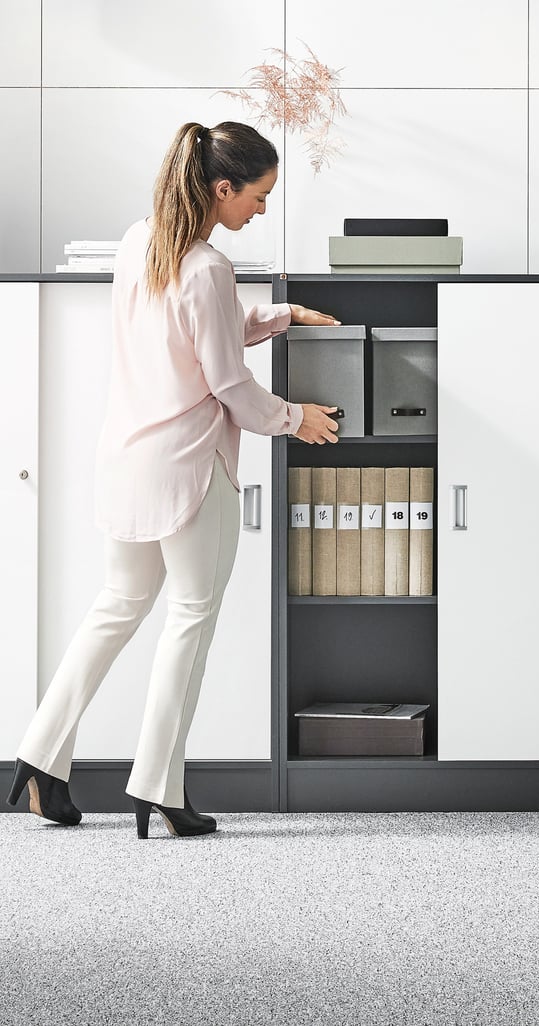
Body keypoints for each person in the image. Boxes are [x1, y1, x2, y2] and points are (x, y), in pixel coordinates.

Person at [6, 121, 340, 838]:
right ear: (222, 188)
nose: (259, 210)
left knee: (116, 608)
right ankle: (159, 787)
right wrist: (296, 417)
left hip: (126, 461)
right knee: (188, 619)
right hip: (191, 469)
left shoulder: (141, 243)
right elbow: (229, 385)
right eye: (257, 196)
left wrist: (281, 314)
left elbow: (192, 330)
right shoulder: (211, 267)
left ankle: (39, 758)